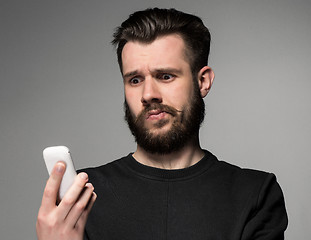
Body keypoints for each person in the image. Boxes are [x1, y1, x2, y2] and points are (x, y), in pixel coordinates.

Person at [36, 8, 288, 240]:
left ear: (203, 82)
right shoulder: (82, 197)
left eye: (165, 76)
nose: (148, 94)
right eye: (135, 80)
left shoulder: (255, 194)